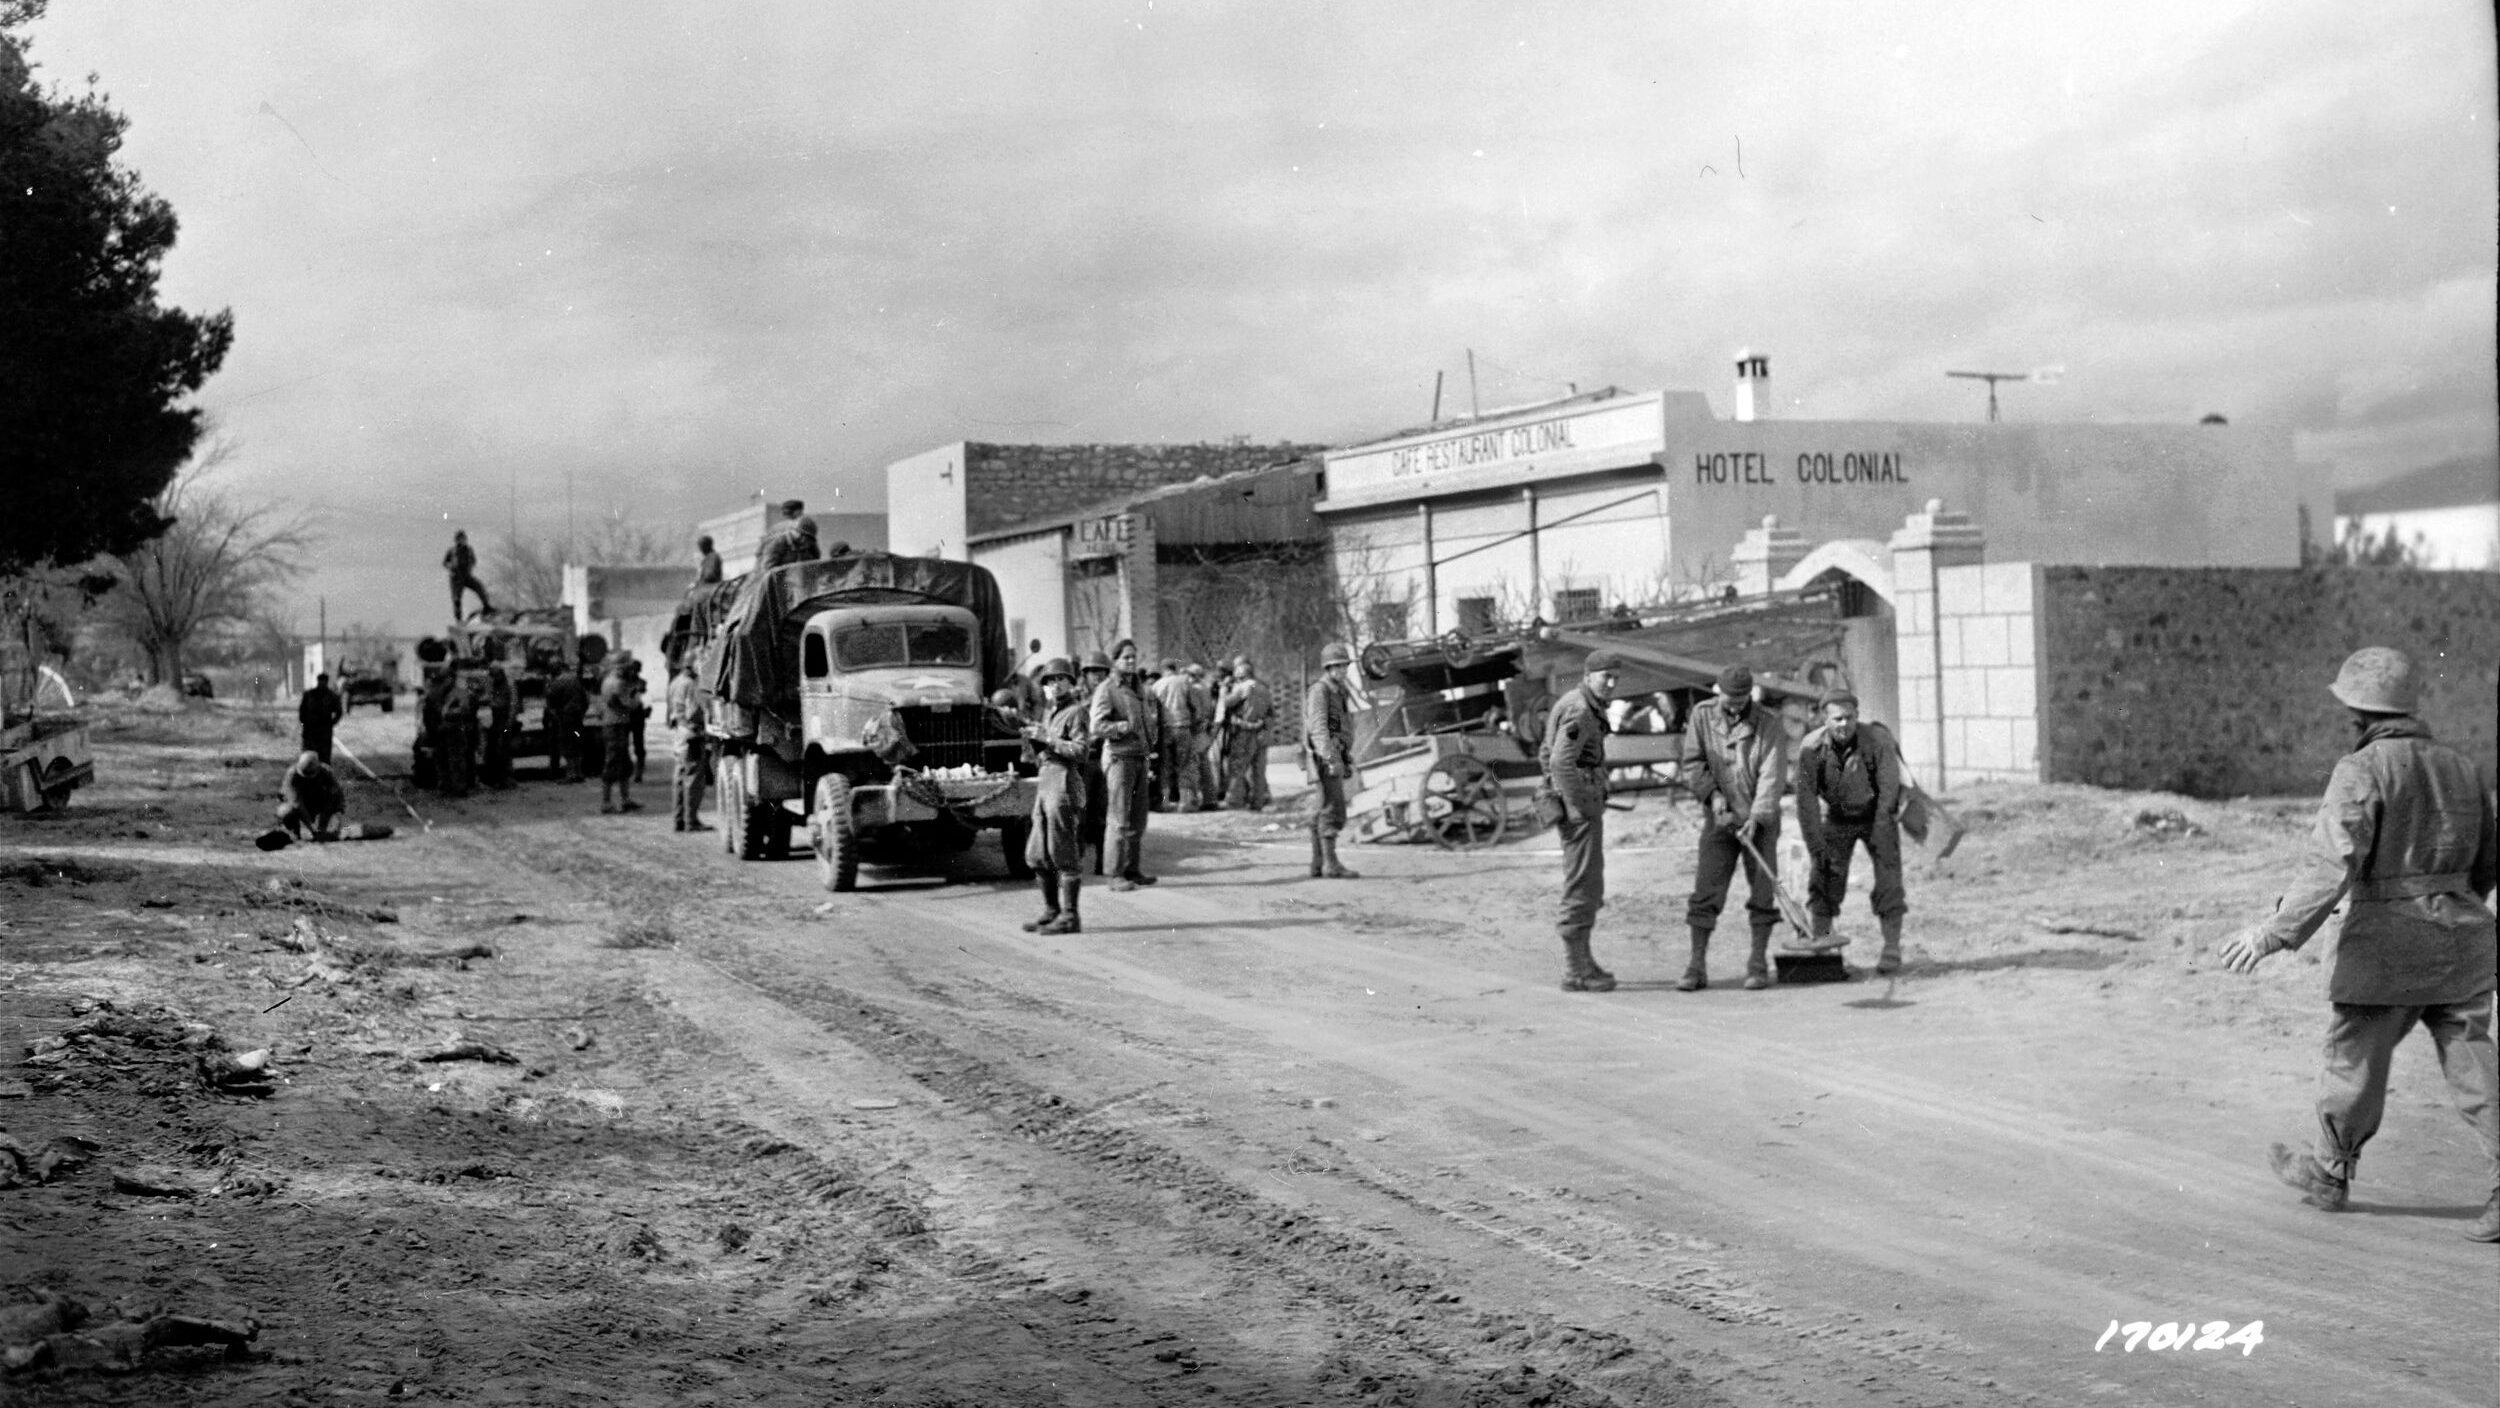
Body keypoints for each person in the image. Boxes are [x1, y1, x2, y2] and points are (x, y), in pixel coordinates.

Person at [2217, 647, 2498, 1241]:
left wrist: (2272, 934)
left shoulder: (2362, 769)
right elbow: (2486, 863)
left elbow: (2330, 865)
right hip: (2465, 941)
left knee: (2354, 1060)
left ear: (2359, 712)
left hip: (2386, 945)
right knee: (2475, 1065)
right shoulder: (2462, 766)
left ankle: (2328, 1171)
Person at [1680, 664, 1790, 991]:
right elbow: (1693, 763)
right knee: (1706, 892)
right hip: (1719, 822)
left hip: (1761, 822)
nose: (1735, 705)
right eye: (1730, 698)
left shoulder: (1769, 723)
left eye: (1742, 699)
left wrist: (1756, 818)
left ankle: (1757, 964)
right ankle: (1696, 965)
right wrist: (1712, 796)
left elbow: (1772, 777)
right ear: (1718, 691)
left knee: (1762, 892)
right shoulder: (1701, 716)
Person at [1795, 690, 1905, 972]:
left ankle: (1891, 946)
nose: (1844, 724)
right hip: (1838, 818)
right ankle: (1824, 944)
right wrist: (1814, 841)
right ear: (1824, 719)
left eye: (1850, 718)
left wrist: (1882, 829)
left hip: (1876, 816)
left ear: (1857, 716)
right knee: (1824, 877)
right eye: (1837, 719)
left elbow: (1889, 788)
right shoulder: (1811, 747)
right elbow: (1806, 801)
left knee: (1889, 880)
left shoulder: (1877, 740)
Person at [1542, 650, 1620, 992]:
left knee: (1589, 884)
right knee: (1582, 886)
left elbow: (1550, 756)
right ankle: (1575, 970)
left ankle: (1584, 961)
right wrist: (1582, 803)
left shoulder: (1581, 703)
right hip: (1580, 812)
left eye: (1616, 676)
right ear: (1589, 677)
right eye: (1606, 676)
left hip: (1579, 806)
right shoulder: (1580, 710)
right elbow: (1560, 763)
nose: (1612, 683)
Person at [1017, 658, 1092, 935]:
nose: (1055, 685)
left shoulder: (1077, 713)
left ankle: (1070, 917)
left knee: (1063, 852)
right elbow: (1039, 754)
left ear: (1071, 683)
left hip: (1064, 781)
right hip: (1046, 781)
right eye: (1049, 681)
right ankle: (1052, 910)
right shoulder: (1049, 713)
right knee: (1038, 853)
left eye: (1061, 679)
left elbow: (1081, 751)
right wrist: (1031, 742)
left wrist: (1049, 740)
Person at [1090, 639, 1160, 890]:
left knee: (1138, 818)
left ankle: (1132, 869)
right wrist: (1123, 727)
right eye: (1126, 657)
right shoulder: (1107, 689)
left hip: (1139, 757)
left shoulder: (1138, 688)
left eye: (1133, 657)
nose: (1131, 661)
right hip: (1119, 758)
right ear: (1115, 660)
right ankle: (1114, 874)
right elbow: (1097, 726)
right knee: (1119, 818)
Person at [1302, 643, 1361, 880]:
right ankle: (1331, 864)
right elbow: (1317, 727)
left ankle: (1318, 862)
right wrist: (1330, 757)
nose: (1342, 670)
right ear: (1328, 667)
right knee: (1332, 807)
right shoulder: (1321, 690)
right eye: (1337, 666)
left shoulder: (1338, 689)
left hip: (1336, 754)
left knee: (1323, 807)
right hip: (1326, 756)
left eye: (1345, 666)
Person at [1076, 651, 1113, 875]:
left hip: (1104, 758)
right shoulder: (1078, 698)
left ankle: (1102, 862)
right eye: (1092, 673)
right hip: (1083, 761)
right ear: (1085, 676)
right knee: (1079, 814)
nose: (1096, 677)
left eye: (1100, 672)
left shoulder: (1112, 695)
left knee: (1102, 814)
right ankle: (1076, 862)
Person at [1221, 655, 1273, 810]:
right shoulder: (1263, 688)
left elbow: (1227, 702)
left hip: (1244, 732)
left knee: (1238, 768)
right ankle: (1257, 802)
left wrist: (1224, 689)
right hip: (1261, 732)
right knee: (1258, 770)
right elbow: (1271, 713)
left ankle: (1235, 802)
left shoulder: (1243, 687)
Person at [666, 661, 712, 832]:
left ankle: (678, 819)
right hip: (692, 734)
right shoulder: (691, 684)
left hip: (679, 733)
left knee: (679, 778)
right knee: (693, 779)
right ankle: (691, 820)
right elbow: (692, 711)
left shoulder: (675, 682)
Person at [1151, 658, 1199, 811]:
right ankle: (1184, 802)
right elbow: (1194, 706)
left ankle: (1165, 802)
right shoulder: (1184, 682)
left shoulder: (1156, 685)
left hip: (1165, 729)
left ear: (1163, 669)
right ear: (1175, 668)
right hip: (1183, 728)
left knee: (1165, 766)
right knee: (1184, 764)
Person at [598, 658, 642, 814]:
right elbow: (622, 703)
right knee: (613, 762)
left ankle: (623, 799)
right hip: (615, 725)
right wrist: (634, 700)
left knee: (623, 763)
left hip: (613, 724)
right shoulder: (618, 683)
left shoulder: (608, 681)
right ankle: (607, 802)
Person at [276, 751, 345, 841]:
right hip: (297, 805)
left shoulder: (326, 772)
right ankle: (294, 832)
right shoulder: (292, 775)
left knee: (332, 798)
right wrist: (313, 829)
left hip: (316, 803)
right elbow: (297, 803)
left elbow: (337, 795)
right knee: (285, 812)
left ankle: (324, 830)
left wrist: (323, 827)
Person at [544, 664, 588, 782]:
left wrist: (548, 684)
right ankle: (578, 772)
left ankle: (570, 774)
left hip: (565, 718)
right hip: (577, 716)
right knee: (577, 742)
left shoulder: (557, 682)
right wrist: (582, 713)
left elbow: (549, 699)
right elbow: (585, 699)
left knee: (567, 744)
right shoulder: (575, 680)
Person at [1187, 663, 1222, 808]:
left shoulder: (1195, 689)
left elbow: (1195, 710)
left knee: (1196, 765)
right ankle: (1210, 798)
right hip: (1204, 728)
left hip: (1196, 729)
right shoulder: (1205, 688)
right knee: (1203, 764)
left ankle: (1197, 799)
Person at [443, 530, 492, 620]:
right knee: (457, 598)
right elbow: (445, 563)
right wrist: (451, 566)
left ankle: (487, 607)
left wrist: (470, 566)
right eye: (460, 539)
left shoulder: (469, 550)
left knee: (479, 587)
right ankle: (459, 618)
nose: (462, 541)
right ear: (456, 540)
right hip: (456, 578)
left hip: (467, 576)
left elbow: (473, 560)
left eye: (463, 539)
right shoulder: (452, 551)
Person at [757, 500, 819, 569]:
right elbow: (768, 567)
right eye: (802, 535)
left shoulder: (810, 544)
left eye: (809, 538)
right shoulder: (779, 541)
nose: (805, 540)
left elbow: (816, 562)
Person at [297, 672, 343, 763]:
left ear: (326, 682)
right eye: (320, 681)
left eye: (323, 681)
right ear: (318, 681)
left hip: (324, 730)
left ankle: (323, 775)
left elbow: (339, 712)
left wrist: (332, 723)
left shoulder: (331, 696)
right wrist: (304, 723)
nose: (322, 683)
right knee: (308, 757)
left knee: (324, 758)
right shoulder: (309, 695)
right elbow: (302, 711)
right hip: (310, 730)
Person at [623, 655, 650, 784]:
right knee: (624, 745)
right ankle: (629, 770)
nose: (633, 672)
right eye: (631, 669)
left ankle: (638, 772)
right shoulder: (623, 683)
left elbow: (645, 696)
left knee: (638, 745)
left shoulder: (641, 683)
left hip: (637, 715)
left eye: (636, 669)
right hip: (626, 715)